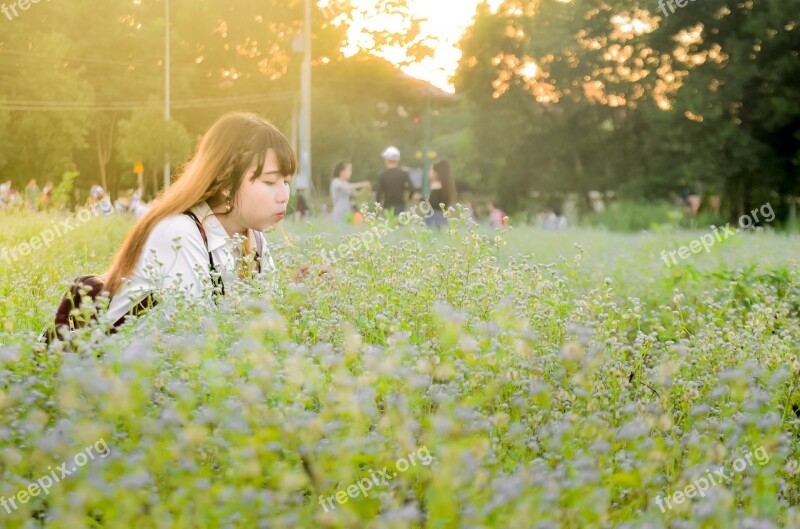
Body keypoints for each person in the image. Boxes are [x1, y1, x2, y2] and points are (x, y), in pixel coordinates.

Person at [102, 112, 297, 326]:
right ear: (225, 183)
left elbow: (265, 329)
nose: (284, 196)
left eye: (286, 182)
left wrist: (298, 300)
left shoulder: (254, 240)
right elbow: (199, 334)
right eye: (269, 182)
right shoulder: (180, 232)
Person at [375, 146, 413, 217]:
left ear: (386, 160)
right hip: (400, 206)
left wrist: (377, 211)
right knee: (400, 226)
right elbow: (412, 188)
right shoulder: (404, 174)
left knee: (388, 226)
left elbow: (379, 194)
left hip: (387, 207)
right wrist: (409, 198)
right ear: (398, 160)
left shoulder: (382, 175)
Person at [427, 159, 457, 229]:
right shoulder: (447, 185)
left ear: (436, 173)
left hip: (434, 216)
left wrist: (420, 199)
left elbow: (433, 203)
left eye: (431, 170)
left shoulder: (436, 184)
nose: (429, 172)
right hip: (443, 216)